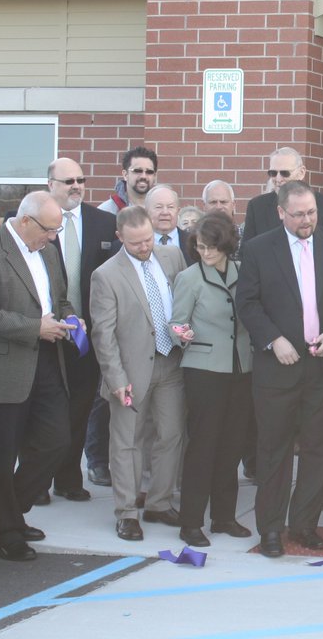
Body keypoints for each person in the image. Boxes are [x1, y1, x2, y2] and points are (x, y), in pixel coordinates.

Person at [237, 181, 323, 558]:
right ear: (281, 212)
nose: (307, 221)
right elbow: (248, 303)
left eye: (312, 213)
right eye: (299, 214)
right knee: (274, 451)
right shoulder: (258, 248)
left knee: (321, 450)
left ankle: (304, 525)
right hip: (277, 369)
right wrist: (274, 339)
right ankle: (270, 529)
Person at [0, 191, 76, 561]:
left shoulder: (46, 248)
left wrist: (72, 317)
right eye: (48, 229)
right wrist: (35, 328)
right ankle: (6, 532)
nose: (52, 237)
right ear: (25, 221)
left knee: (56, 440)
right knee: (2, 453)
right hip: (2, 367)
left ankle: (5, 512)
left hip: (47, 359)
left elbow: (59, 299)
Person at [89, 206, 187, 542]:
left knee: (172, 434)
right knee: (127, 444)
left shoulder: (172, 256)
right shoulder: (106, 275)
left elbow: (186, 302)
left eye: (147, 240)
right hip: (129, 371)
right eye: (135, 244)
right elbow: (103, 334)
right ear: (119, 237)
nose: (144, 247)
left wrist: (184, 330)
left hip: (171, 361)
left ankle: (159, 502)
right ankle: (127, 513)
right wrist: (115, 380)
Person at [166, 211, 253, 547]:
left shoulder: (243, 272)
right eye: (200, 247)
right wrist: (181, 333)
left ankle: (224, 517)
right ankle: (190, 522)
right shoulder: (189, 278)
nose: (206, 253)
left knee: (232, 445)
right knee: (203, 446)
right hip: (204, 370)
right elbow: (175, 323)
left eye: (212, 247)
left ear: (226, 245)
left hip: (241, 368)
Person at [45, 159, 117, 504]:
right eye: (68, 180)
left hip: (88, 338)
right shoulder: (32, 221)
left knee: (79, 411)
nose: (76, 185)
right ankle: (36, 478)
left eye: (80, 180)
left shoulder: (104, 223)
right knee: (43, 412)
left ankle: (69, 478)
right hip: (44, 334)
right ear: (50, 184)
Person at [242, 148, 323, 241]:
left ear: (301, 172)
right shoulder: (257, 206)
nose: (278, 179)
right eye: (273, 173)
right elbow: (247, 251)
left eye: (284, 173)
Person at [98, 146, 158, 214]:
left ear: (154, 176)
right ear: (125, 175)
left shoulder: (163, 211)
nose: (143, 176)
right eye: (138, 170)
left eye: (149, 172)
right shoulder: (106, 211)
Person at [147, 185, 193, 265]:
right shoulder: (133, 244)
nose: (165, 212)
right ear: (147, 211)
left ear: (178, 211)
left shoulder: (195, 243)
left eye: (170, 207)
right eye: (158, 207)